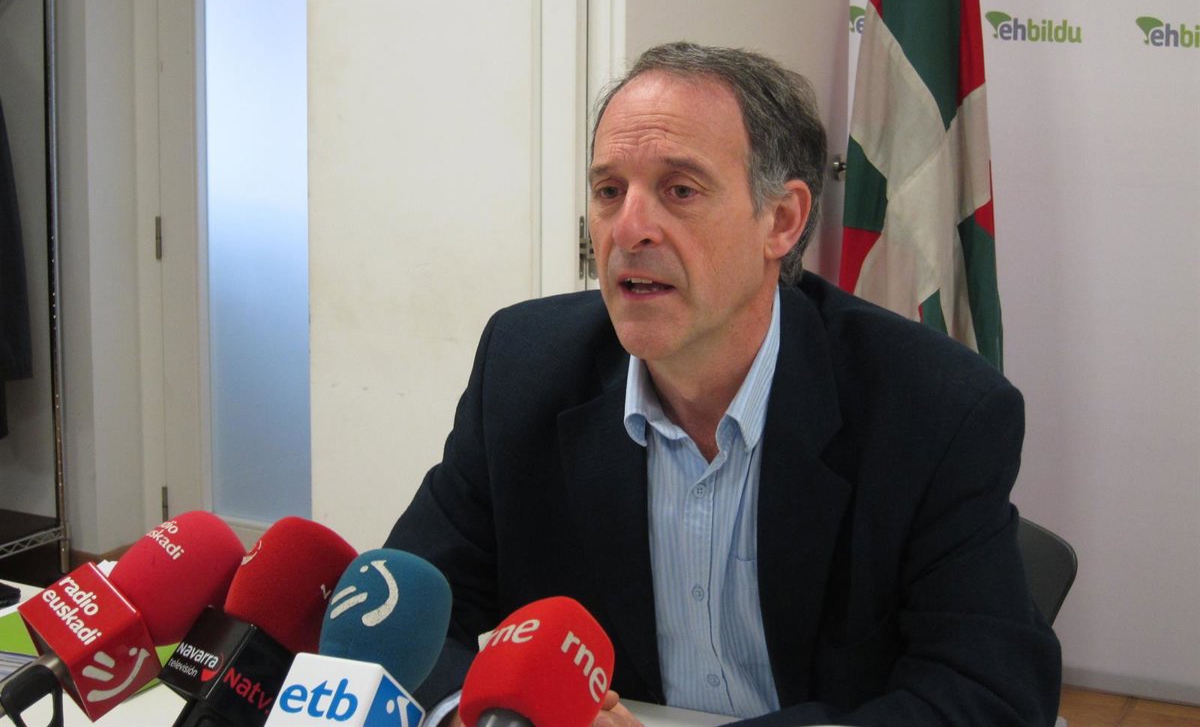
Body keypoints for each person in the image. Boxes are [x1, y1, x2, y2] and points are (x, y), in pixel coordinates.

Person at [386, 42, 1061, 726]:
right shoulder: (524, 368)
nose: (628, 229)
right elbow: (399, 615)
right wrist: (466, 716)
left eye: (680, 190)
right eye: (609, 191)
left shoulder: (932, 408)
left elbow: (987, 694)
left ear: (782, 221)